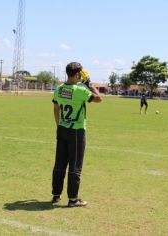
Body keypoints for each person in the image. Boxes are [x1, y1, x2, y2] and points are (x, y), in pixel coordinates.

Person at [51, 62, 102, 207]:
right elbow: (99, 99)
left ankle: (56, 195)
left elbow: (56, 108)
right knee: (75, 165)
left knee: (60, 163)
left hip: (61, 128)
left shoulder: (59, 89)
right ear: (76, 75)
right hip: (77, 131)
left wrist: (59, 125)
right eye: (80, 74)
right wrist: (90, 85)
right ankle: (73, 199)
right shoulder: (80, 90)